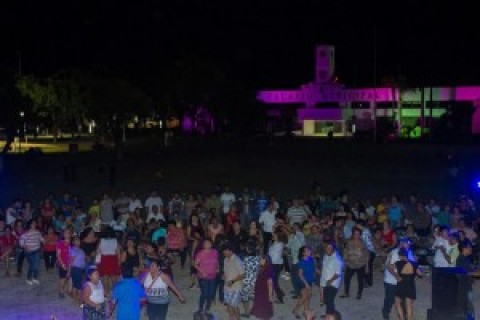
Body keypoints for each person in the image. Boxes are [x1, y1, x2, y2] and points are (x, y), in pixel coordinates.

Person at [382, 237, 415, 320]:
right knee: (390, 299)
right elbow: (389, 267)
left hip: (402, 281)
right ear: (401, 244)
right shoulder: (394, 253)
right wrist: (397, 277)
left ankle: (403, 316)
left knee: (403, 300)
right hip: (391, 280)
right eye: (407, 244)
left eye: (409, 245)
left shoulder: (409, 252)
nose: (408, 246)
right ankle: (386, 312)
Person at [340, 228, 369, 299]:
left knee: (360, 280)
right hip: (350, 264)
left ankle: (359, 293)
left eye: (358, 234)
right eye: (355, 234)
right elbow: (345, 253)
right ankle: (346, 293)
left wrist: (367, 266)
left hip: (360, 264)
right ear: (353, 234)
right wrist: (344, 264)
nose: (357, 235)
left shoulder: (363, 244)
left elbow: (366, 255)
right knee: (347, 278)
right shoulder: (349, 243)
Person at [394, 248, 422, 320]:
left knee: (397, 302)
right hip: (410, 284)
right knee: (409, 305)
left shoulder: (398, 263)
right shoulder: (414, 263)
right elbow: (420, 274)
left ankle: (402, 318)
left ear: (400, 256)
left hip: (401, 284)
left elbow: (394, 271)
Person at [194, 237, 219, 315]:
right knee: (204, 293)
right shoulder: (200, 253)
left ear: (211, 244)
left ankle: (207, 308)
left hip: (213, 276)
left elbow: (217, 261)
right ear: (203, 245)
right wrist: (202, 272)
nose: (207, 245)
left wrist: (218, 268)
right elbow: (195, 264)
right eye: (205, 243)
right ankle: (200, 309)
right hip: (203, 277)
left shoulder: (215, 252)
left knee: (211, 294)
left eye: (208, 243)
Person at [320, 241, 343, 320]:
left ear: (333, 249)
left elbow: (338, 273)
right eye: (327, 247)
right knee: (327, 300)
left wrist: (330, 280)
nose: (327, 249)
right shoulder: (326, 255)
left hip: (333, 283)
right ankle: (329, 314)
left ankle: (330, 315)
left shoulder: (337, 259)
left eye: (330, 248)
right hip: (325, 282)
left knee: (329, 299)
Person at [293, 246, 316, 319]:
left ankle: (305, 310)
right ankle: (295, 310)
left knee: (308, 296)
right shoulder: (301, 262)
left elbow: (314, 268)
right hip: (302, 281)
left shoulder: (311, 259)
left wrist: (320, 273)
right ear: (303, 253)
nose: (309, 251)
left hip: (309, 281)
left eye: (309, 250)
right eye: (307, 251)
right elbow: (300, 274)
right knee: (304, 297)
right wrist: (306, 284)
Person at [223, 244, 245, 320]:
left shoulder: (237, 260)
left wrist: (232, 281)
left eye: (226, 250)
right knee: (229, 305)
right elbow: (226, 272)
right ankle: (231, 318)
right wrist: (224, 276)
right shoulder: (225, 259)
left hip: (236, 287)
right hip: (226, 287)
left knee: (234, 305)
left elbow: (243, 274)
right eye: (223, 250)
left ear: (231, 251)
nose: (224, 252)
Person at [456, 239, 476, 319]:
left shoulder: (465, 258)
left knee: (468, 308)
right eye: (469, 247)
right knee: (468, 309)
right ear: (464, 249)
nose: (471, 248)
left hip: (466, 287)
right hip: (464, 288)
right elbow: (467, 273)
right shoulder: (461, 259)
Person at [240, 238, 261, 317]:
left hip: (246, 282)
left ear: (248, 249)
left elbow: (242, 272)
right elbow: (259, 270)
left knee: (245, 299)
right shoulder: (258, 258)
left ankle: (247, 312)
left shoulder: (245, 259)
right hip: (255, 281)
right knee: (254, 297)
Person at [97, 228, 121, 294]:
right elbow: (118, 252)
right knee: (113, 276)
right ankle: (114, 290)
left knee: (105, 276)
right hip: (113, 259)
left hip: (104, 258)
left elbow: (98, 252)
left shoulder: (101, 241)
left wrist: (97, 261)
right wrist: (119, 261)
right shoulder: (115, 241)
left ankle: (106, 291)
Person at [250, 255, 274, 320]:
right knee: (261, 310)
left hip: (265, 293)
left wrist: (270, 296)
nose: (260, 261)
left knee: (265, 311)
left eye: (262, 260)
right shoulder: (262, 268)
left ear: (266, 261)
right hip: (260, 292)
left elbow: (270, 284)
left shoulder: (268, 269)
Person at [20, 219, 44, 285]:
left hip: (36, 251)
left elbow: (42, 240)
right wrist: (25, 246)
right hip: (29, 252)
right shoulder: (25, 233)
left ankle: (35, 278)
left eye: (35, 223)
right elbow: (21, 242)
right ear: (30, 225)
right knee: (32, 265)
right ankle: (28, 278)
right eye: (32, 223)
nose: (34, 224)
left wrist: (45, 241)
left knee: (36, 266)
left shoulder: (38, 232)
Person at [268, 230, 287, 304]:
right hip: (276, 264)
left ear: (278, 237)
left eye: (274, 235)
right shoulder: (277, 243)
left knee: (274, 282)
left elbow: (274, 258)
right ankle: (281, 292)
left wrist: (268, 263)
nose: (273, 236)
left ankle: (280, 299)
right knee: (275, 281)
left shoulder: (278, 245)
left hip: (275, 265)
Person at [56, 228, 73, 298]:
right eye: (65, 232)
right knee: (63, 278)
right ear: (63, 234)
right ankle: (61, 291)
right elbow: (58, 255)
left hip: (70, 263)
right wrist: (62, 264)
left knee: (68, 277)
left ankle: (65, 289)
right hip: (62, 263)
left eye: (68, 232)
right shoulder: (60, 243)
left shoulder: (72, 243)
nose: (67, 234)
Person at [71, 235, 86, 305]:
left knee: (77, 285)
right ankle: (78, 300)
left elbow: (83, 260)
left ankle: (76, 299)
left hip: (80, 269)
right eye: (76, 240)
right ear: (73, 242)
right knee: (78, 285)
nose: (78, 242)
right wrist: (69, 270)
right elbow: (71, 261)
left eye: (79, 240)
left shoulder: (81, 250)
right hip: (76, 269)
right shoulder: (73, 250)